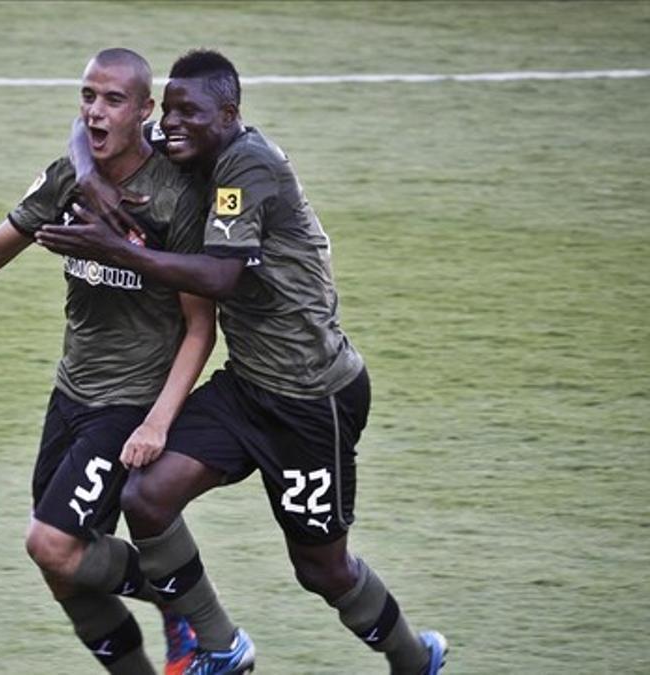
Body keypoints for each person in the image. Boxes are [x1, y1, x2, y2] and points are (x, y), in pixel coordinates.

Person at [36, 49, 447, 675]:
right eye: (166, 111)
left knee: (322, 569)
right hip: (246, 387)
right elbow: (93, 130)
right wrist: (89, 173)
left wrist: (115, 248)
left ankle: (414, 659)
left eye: (188, 114)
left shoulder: (248, 165)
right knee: (147, 498)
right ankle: (221, 647)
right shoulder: (187, 142)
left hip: (314, 398)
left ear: (229, 115)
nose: (170, 126)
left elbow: (222, 275)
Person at [0, 49, 215, 675]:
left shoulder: (174, 196)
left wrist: (157, 421)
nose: (95, 111)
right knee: (62, 573)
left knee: (50, 544)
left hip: (129, 402)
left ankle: (181, 599)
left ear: (144, 111)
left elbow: (198, 326)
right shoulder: (68, 180)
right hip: (71, 392)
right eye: (87, 97)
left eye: (112, 100)